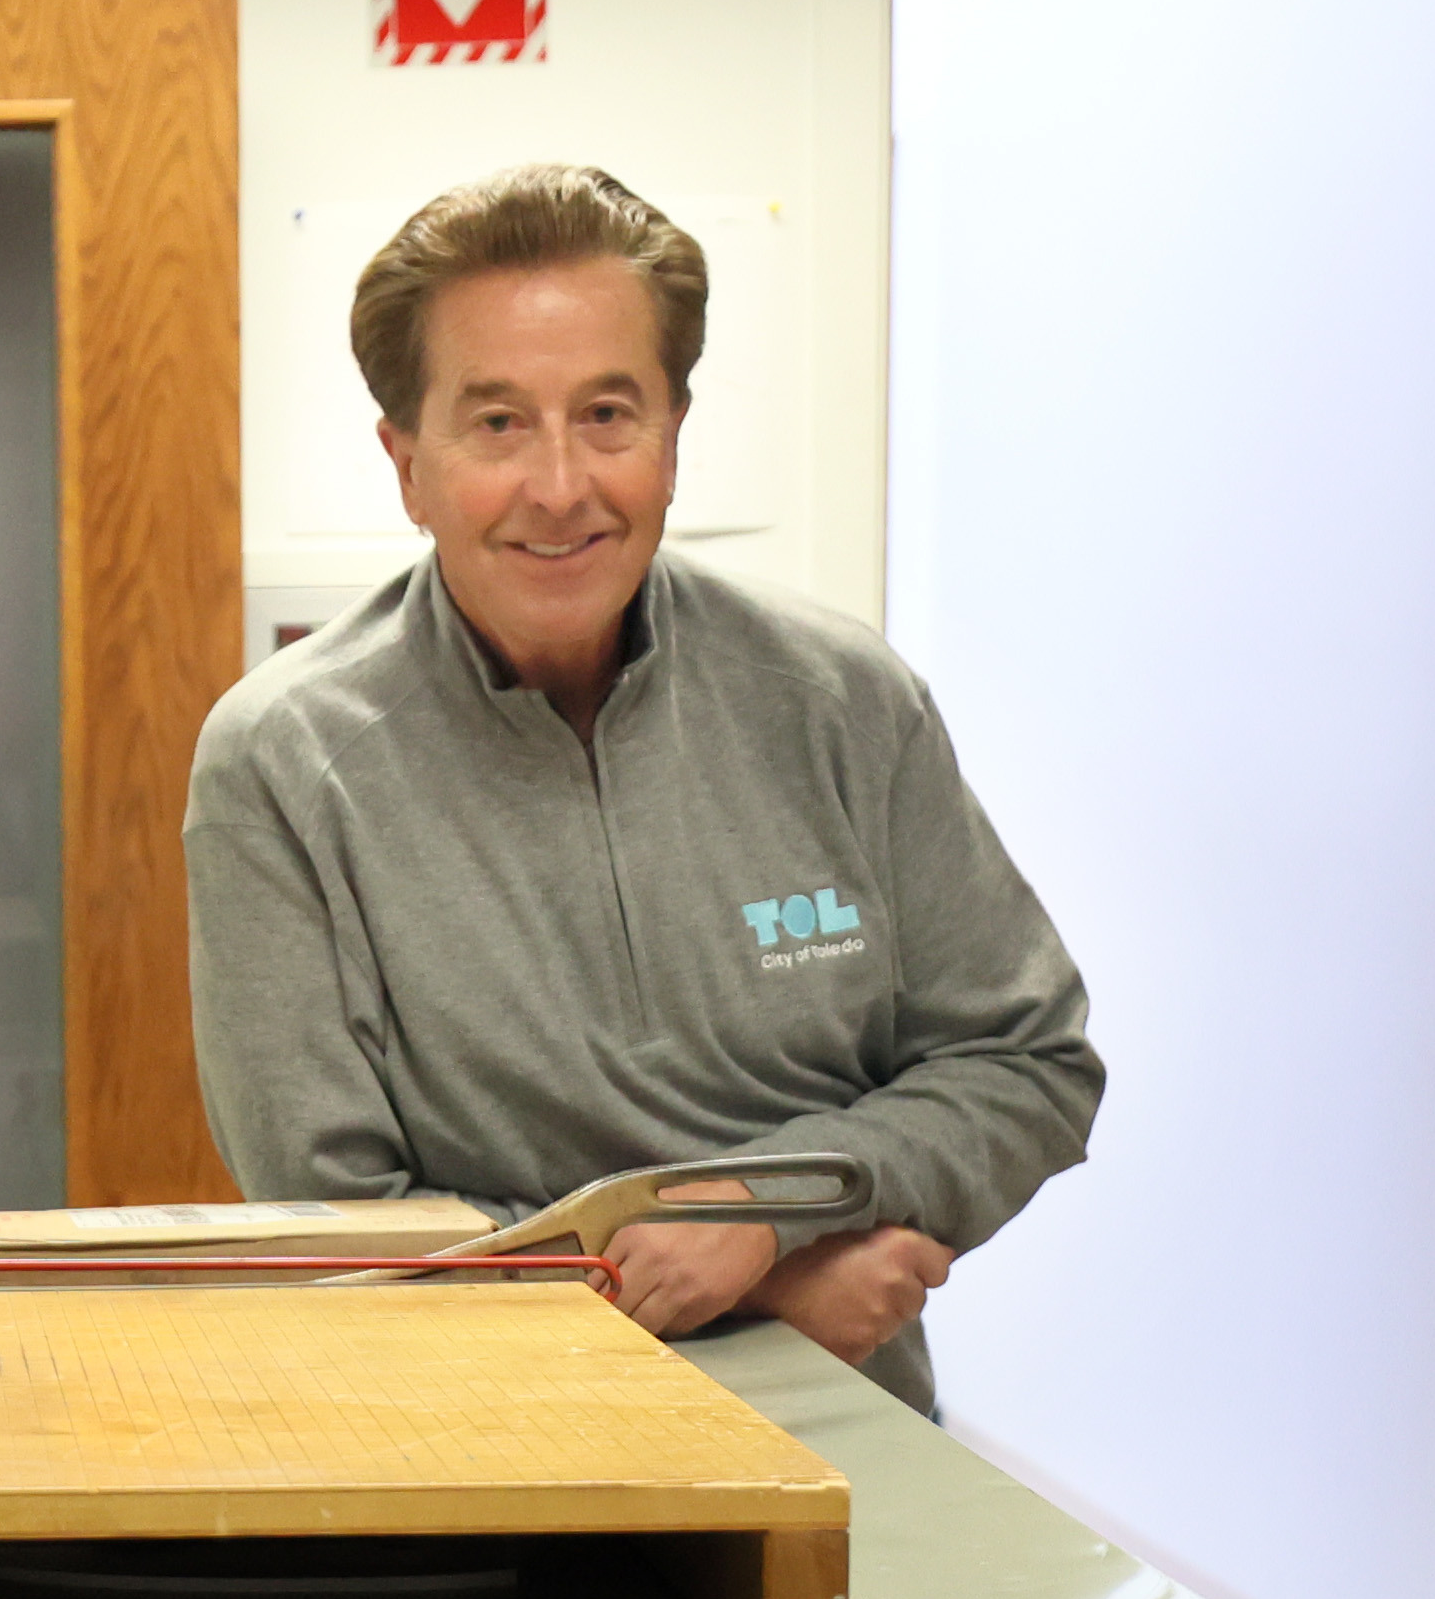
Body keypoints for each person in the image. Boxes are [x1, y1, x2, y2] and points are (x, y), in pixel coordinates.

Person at [182, 162, 1100, 1411]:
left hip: (854, 1444)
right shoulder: (281, 765)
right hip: (496, 1451)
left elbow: (1025, 1063)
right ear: (405, 466)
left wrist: (755, 1209)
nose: (560, 486)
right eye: (496, 424)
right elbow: (345, 1240)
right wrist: (761, 1295)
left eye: (607, 414)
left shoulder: (841, 700)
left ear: (673, 435)